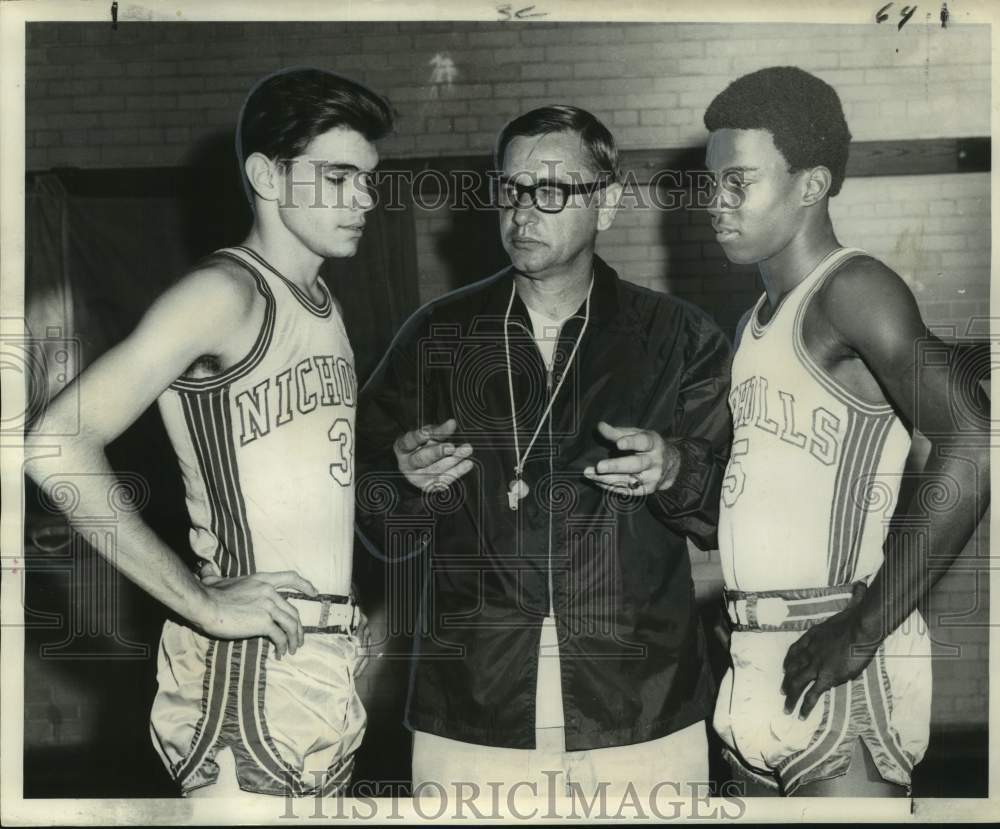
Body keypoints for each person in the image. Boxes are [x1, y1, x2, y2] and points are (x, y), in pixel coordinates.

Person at [24, 68, 394, 798]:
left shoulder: (320, 300)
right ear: (265, 174)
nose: (364, 199)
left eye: (369, 179)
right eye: (338, 176)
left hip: (316, 659)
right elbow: (54, 443)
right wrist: (203, 604)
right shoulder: (223, 293)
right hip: (246, 669)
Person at [356, 105, 732, 799]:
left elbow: (725, 505)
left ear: (608, 204)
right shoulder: (438, 333)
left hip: (640, 705)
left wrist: (676, 466)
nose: (523, 210)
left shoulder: (678, 337)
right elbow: (374, 514)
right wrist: (403, 480)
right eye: (510, 189)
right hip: (472, 704)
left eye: (551, 191)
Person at [703, 66, 990, 796]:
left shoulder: (855, 289)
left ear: (811, 184)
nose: (716, 202)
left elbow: (975, 443)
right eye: (712, 183)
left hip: (836, 651)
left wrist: (863, 630)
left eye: (739, 182)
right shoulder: (754, 324)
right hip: (756, 657)